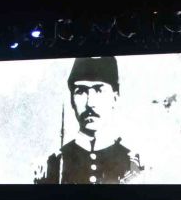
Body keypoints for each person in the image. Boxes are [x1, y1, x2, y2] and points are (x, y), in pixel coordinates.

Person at [34, 56, 143, 184]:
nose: (90, 103)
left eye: (99, 90)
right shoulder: (53, 164)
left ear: (115, 97)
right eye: (81, 91)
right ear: (71, 100)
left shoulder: (132, 165)